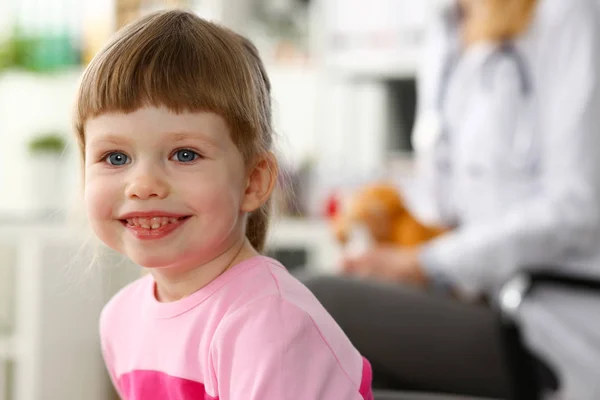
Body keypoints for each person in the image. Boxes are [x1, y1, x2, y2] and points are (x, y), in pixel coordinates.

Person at [306, 0, 600, 398]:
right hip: (474, 299)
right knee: (350, 372)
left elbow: (578, 206)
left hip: (547, 316)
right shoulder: (445, 27)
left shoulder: (568, 14)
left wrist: (425, 264)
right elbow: (451, 193)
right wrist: (391, 212)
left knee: (317, 306)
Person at [73, 10, 373, 400]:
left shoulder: (268, 321)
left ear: (253, 181)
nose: (143, 185)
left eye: (184, 154)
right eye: (115, 157)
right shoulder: (121, 318)